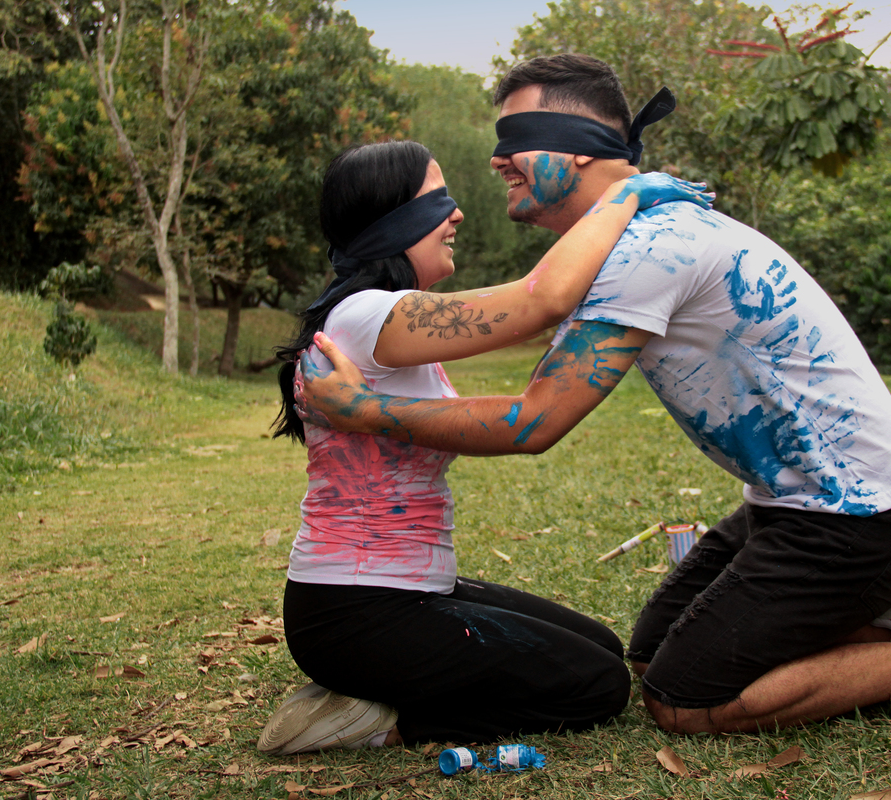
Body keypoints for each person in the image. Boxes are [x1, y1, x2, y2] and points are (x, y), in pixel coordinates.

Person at [297, 54, 891, 736]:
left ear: (578, 149)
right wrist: (624, 198)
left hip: (860, 517)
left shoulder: (653, 248)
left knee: (682, 701)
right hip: (791, 506)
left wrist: (365, 411)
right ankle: (882, 618)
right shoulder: (629, 241)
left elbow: (534, 416)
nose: (496, 161)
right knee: (651, 656)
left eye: (516, 138)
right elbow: (536, 302)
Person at [259, 139, 713, 755]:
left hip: (401, 591)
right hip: (355, 608)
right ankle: (376, 722)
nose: (457, 214)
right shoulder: (367, 316)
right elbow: (541, 299)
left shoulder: (381, 320)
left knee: (602, 648)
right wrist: (625, 194)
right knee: (598, 687)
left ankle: (378, 684)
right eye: (436, 200)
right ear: (393, 222)